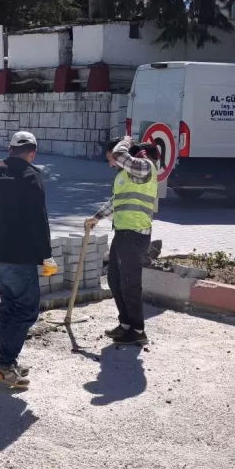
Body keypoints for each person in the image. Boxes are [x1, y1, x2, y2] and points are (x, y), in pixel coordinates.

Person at [0, 130, 56, 388]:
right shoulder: (31, 175)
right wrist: (46, 255)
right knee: (25, 310)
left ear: (9, 149)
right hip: (19, 255)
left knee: (9, 307)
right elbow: (39, 219)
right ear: (32, 153)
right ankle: (4, 363)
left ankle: (8, 363)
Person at [85, 136, 159, 346]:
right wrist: (97, 217)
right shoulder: (124, 176)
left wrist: (125, 141)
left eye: (110, 158)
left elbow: (120, 154)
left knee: (130, 283)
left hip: (135, 234)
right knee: (115, 281)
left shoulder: (144, 168)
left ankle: (138, 330)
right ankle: (125, 324)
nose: (110, 163)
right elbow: (116, 201)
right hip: (122, 233)